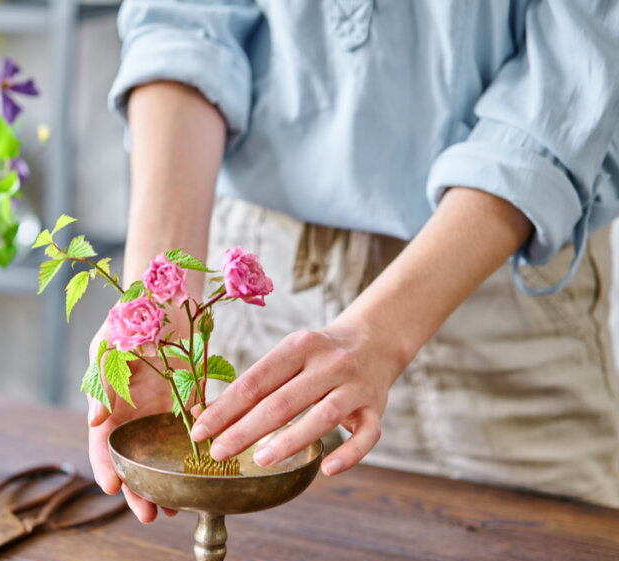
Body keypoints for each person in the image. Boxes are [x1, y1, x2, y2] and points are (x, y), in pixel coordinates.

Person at [88, 0, 619, 520]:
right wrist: (158, 304)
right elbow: (183, 26)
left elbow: (573, 83)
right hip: (255, 276)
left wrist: (380, 334)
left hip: (495, 288)